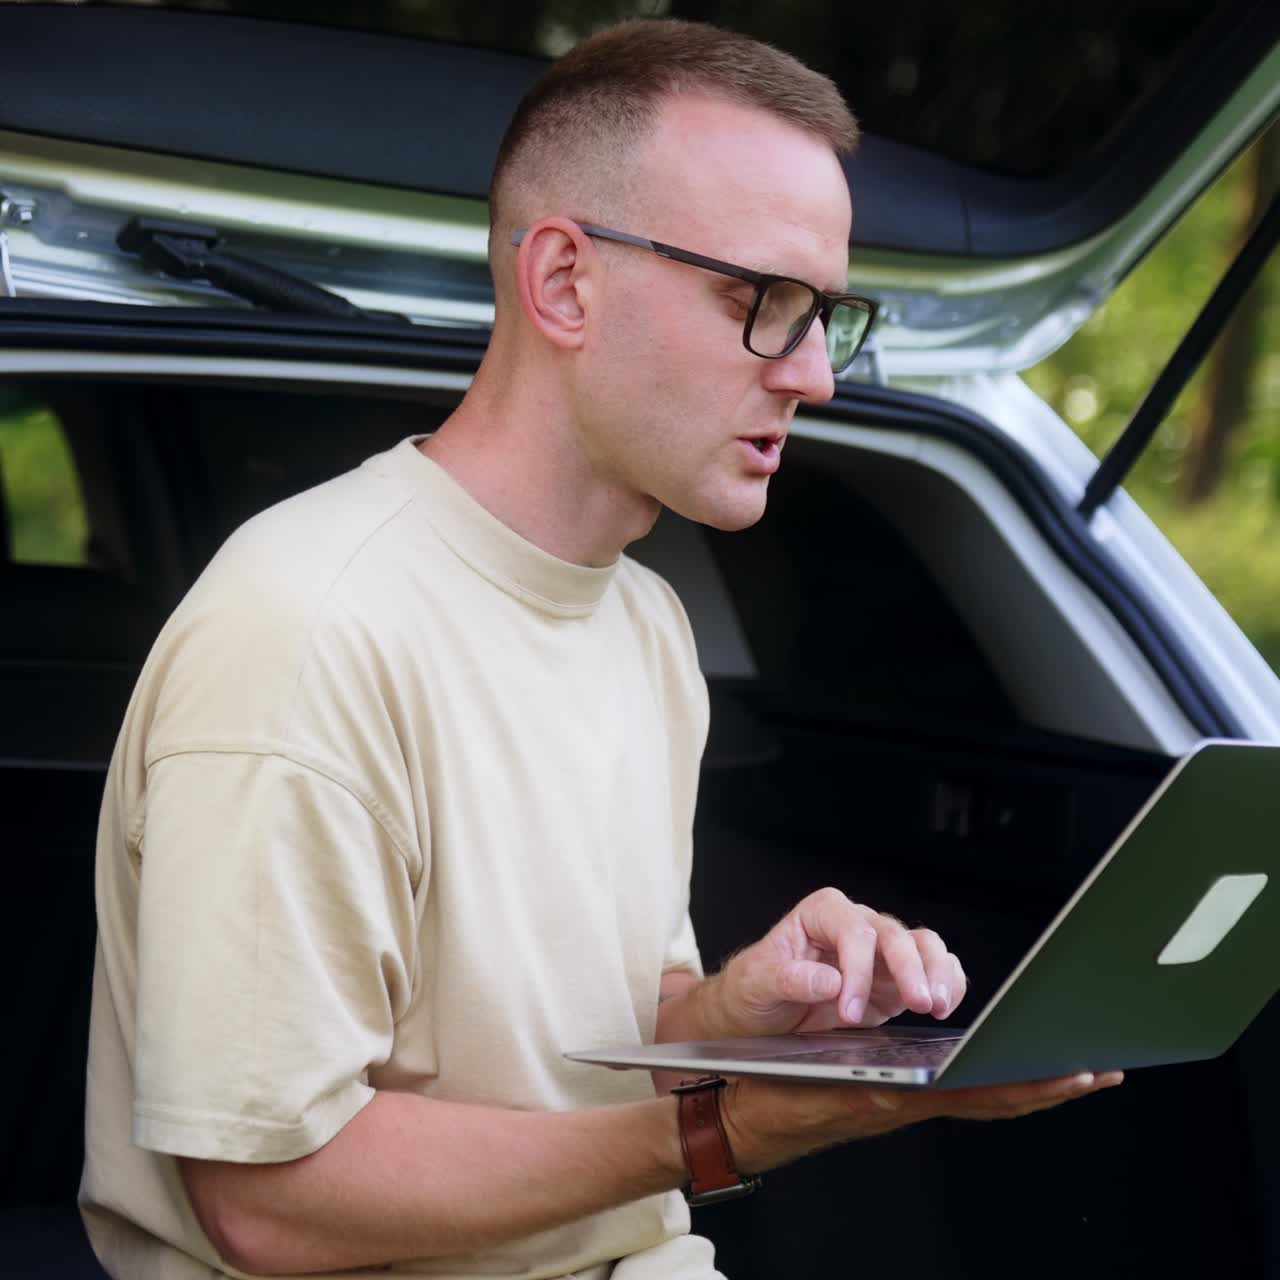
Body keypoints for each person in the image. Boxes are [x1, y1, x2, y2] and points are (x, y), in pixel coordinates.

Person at [79, 19, 1121, 1280]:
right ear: (564, 281)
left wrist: (741, 1010)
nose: (814, 376)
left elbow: (596, 1034)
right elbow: (270, 1197)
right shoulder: (306, 627)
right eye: (759, 303)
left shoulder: (643, 623)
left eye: (824, 317)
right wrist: (720, 1128)